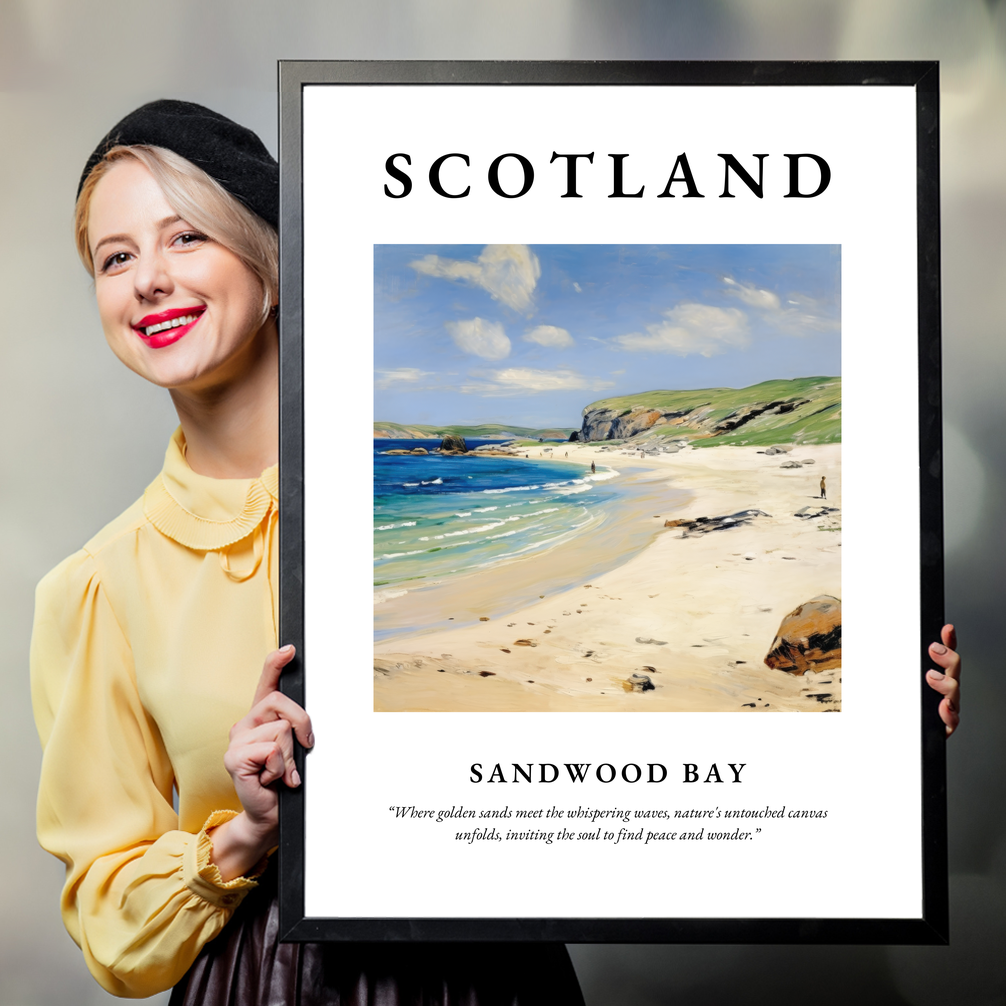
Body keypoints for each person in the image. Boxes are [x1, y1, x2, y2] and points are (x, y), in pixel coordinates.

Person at [30, 100, 584, 1004]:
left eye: (186, 238)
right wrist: (244, 833)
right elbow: (110, 925)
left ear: (273, 264)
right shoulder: (97, 587)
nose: (148, 280)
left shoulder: (417, 515)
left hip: (494, 972)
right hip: (264, 981)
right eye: (115, 257)